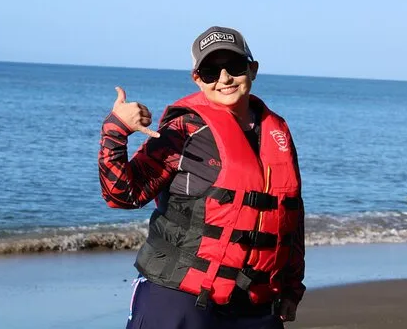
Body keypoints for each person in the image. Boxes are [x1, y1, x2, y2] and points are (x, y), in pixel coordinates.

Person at [98, 26, 305, 329]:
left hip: (254, 304)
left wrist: (291, 286)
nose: (224, 78)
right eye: (210, 71)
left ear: (253, 69)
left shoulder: (277, 133)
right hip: (179, 295)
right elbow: (122, 195)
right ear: (197, 78)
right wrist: (115, 130)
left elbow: (291, 215)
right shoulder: (184, 128)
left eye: (234, 66)